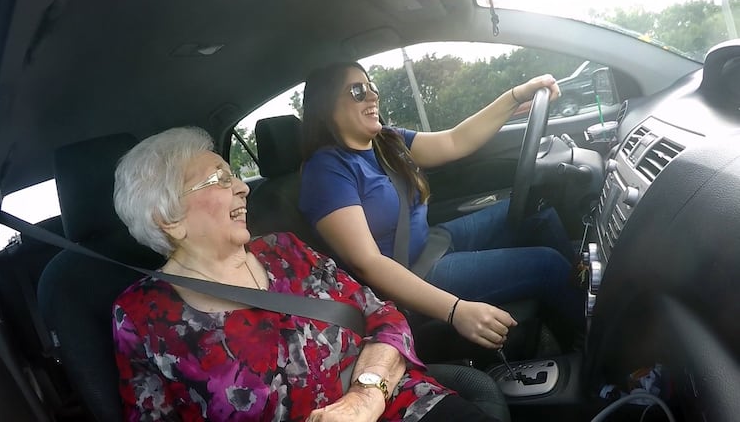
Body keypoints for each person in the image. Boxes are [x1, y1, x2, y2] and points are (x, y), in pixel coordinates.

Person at [111, 126, 501, 421]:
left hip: (404, 406)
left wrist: (365, 399)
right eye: (220, 179)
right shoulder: (140, 317)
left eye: (235, 175)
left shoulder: (284, 250)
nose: (242, 188)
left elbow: (385, 318)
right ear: (168, 218)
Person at [298, 61, 584, 350]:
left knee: (538, 210)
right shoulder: (325, 172)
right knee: (547, 265)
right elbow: (368, 263)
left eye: (371, 86)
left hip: (436, 240)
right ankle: (595, 350)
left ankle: (577, 306)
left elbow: (454, 140)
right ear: (326, 106)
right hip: (411, 276)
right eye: (357, 91)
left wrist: (516, 96)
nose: (373, 96)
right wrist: (456, 310)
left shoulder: (387, 141)